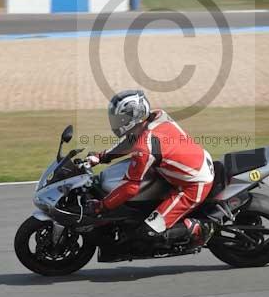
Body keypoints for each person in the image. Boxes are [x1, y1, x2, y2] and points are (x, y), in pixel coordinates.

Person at [86, 90, 215, 246]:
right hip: (192, 163)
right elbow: (131, 141)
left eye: (120, 118)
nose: (116, 122)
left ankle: (199, 228)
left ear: (134, 116)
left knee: (149, 232)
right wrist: (102, 156)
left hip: (194, 185)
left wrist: (102, 206)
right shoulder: (156, 115)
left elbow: (129, 187)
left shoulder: (144, 149)